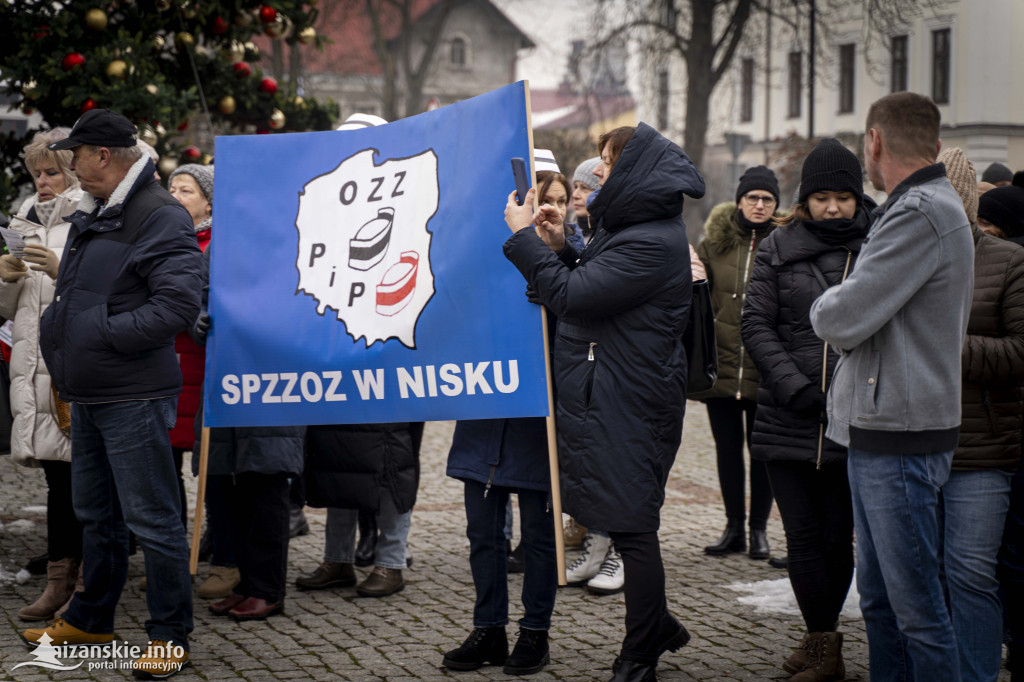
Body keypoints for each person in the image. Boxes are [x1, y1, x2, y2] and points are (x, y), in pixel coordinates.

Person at [504, 123, 704, 681]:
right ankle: (656, 624)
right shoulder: (635, 230)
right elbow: (593, 282)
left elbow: (574, 297)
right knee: (620, 514)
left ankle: (640, 652)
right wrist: (561, 243)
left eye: (610, 163)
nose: (601, 174)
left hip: (631, 398)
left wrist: (523, 240)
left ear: (636, 170)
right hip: (617, 391)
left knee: (634, 527)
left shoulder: (651, 239)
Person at [22, 109, 202, 679]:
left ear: (104, 155)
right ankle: (93, 619)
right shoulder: (96, 208)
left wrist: (98, 337)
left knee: (153, 519)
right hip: (91, 391)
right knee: (96, 515)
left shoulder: (159, 214)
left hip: (132, 394)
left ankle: (170, 635)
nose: (68, 165)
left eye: (75, 155)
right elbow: (76, 292)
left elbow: (176, 307)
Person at [810, 92, 974, 680]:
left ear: (874, 142)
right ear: (933, 145)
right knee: (881, 605)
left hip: (901, 436)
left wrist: (828, 300)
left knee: (918, 615)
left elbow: (839, 317)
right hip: (885, 430)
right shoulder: (922, 206)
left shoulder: (919, 212)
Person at [441, 153, 582, 677]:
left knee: (540, 535)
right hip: (485, 408)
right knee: (483, 532)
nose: (552, 209)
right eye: (541, 199)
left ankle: (535, 635)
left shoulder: (575, 253)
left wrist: (558, 247)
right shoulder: (484, 252)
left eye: (561, 201)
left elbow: (579, 296)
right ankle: (489, 629)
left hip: (537, 414)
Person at [742, 138, 869, 681]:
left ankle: (822, 645)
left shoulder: (879, 244)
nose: (834, 207)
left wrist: (842, 393)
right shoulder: (775, 247)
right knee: (801, 537)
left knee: (838, 537)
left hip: (854, 419)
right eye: (822, 197)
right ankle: (822, 643)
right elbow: (756, 324)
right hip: (786, 415)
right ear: (805, 199)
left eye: (843, 197)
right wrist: (796, 387)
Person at [937, 146, 1024, 682]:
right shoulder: (900, 254)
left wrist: (944, 343)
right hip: (909, 443)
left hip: (983, 452)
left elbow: (1019, 354)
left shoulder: (1009, 261)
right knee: (921, 580)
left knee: (970, 575)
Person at [0, 127, 83, 621]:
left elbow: (101, 293)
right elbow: (12, 313)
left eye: (52, 171)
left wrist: (58, 269)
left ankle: (88, 583)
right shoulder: (24, 220)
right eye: (37, 173)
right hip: (35, 369)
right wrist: (6, 279)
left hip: (73, 371)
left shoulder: (90, 217)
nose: (44, 181)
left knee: (87, 485)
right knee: (58, 484)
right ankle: (58, 581)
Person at [694, 165, 780, 561]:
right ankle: (733, 528)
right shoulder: (715, 243)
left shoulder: (785, 243)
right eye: (753, 198)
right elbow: (697, 298)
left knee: (760, 452)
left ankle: (759, 530)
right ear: (740, 200)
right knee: (727, 451)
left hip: (766, 368)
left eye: (767, 199)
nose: (760, 205)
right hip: (723, 366)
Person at [571, 157, 601, 245]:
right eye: (575, 187)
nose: (575, 195)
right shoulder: (568, 234)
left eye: (584, 188)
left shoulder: (609, 236)